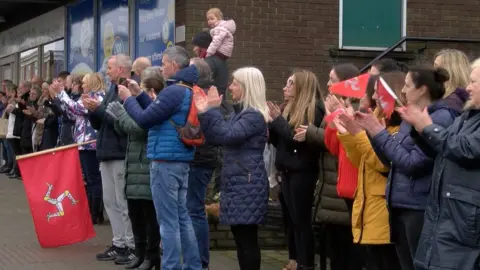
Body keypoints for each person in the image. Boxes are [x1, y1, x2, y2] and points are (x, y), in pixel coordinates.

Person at [119, 46, 201, 270]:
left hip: (165, 162)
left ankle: (171, 266)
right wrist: (139, 95)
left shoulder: (173, 91)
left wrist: (128, 100)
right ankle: (193, 265)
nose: (162, 67)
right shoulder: (185, 89)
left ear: (174, 65)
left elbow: (145, 119)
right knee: (182, 218)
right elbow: (159, 112)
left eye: (164, 63)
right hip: (180, 160)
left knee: (168, 222)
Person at [397, 58, 480, 270]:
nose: (467, 87)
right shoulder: (467, 116)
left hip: (464, 223)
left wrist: (427, 128)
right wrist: (420, 129)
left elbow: (465, 149)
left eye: (473, 82)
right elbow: (440, 151)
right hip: (445, 218)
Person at [195, 66, 269, 270]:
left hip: (246, 183)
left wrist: (211, 111)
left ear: (248, 87)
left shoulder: (252, 116)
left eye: (235, 83)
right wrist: (207, 113)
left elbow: (226, 135)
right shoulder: (242, 114)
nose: (230, 87)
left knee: (246, 239)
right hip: (239, 181)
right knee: (241, 237)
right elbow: (216, 136)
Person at [108, 67, 164, 270]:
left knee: (149, 216)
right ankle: (139, 254)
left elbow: (139, 129)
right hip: (133, 165)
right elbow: (125, 129)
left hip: (145, 166)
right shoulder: (142, 105)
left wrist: (122, 113)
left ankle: (151, 256)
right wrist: (119, 118)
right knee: (135, 214)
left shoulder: (156, 105)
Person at [267, 70, 324, 270]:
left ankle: (306, 263)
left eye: (290, 84)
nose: (285, 87)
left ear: (302, 87)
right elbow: (281, 140)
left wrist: (278, 122)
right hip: (287, 171)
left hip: (303, 172)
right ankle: (297, 259)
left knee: (301, 221)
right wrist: (271, 127)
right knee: (292, 220)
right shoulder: (288, 108)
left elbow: (296, 137)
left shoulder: (314, 109)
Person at [84, 54, 134, 264]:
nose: (107, 71)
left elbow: (121, 122)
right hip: (105, 151)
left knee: (123, 202)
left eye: (110, 67)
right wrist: (92, 111)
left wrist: (100, 109)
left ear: (121, 69)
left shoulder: (128, 90)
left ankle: (130, 245)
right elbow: (101, 123)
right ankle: (118, 242)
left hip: (120, 152)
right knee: (110, 201)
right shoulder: (111, 90)